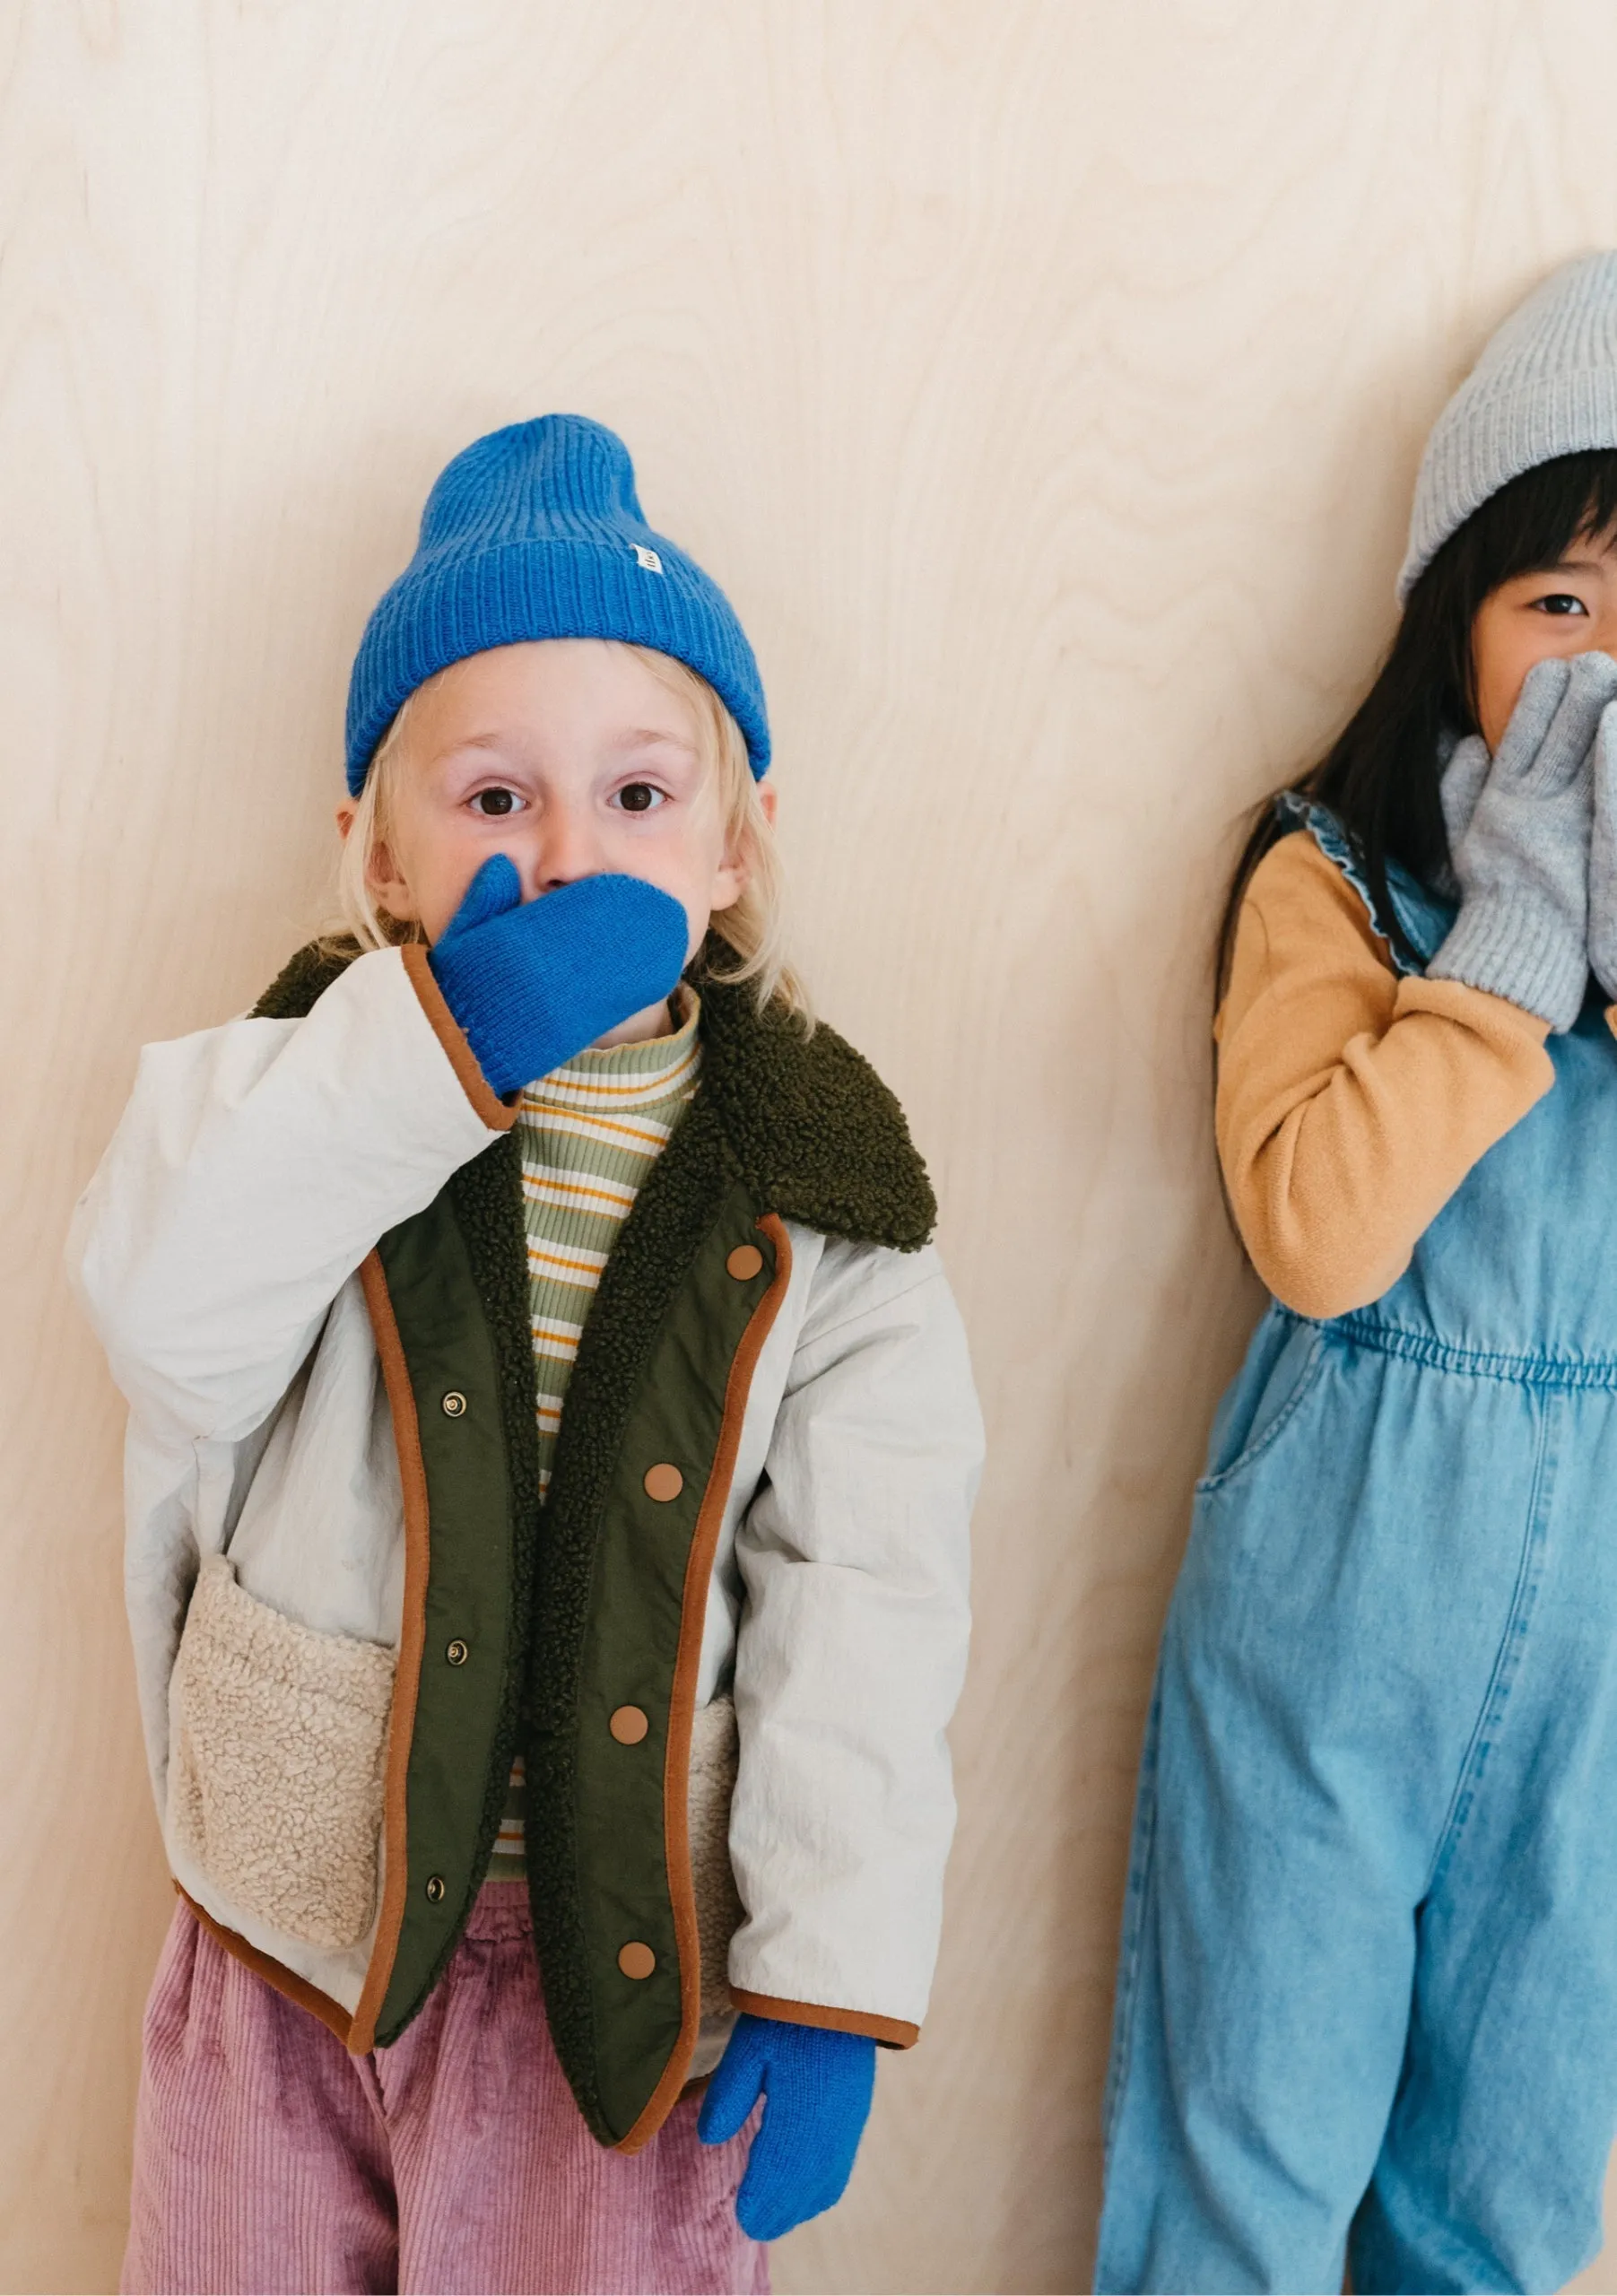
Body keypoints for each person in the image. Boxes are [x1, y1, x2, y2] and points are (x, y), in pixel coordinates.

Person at [69, 413, 981, 2295]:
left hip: (625, 1988)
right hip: (286, 1944)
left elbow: (868, 1606)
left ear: (738, 842)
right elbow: (163, 1318)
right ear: (378, 855)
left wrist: (828, 1964)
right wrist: (435, 1044)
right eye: (494, 800)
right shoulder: (291, 1095)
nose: (570, 851)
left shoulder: (826, 1197)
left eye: (639, 796)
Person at [1096, 250, 1617, 2295]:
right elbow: (1315, 1226)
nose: (1607, 662)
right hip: (1335, 1604)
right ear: (1452, 627)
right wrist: (1503, 954)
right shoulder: (1331, 884)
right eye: (1559, 603)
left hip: (1594, 1663)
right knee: (1242, 2174)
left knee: (1494, 2206)